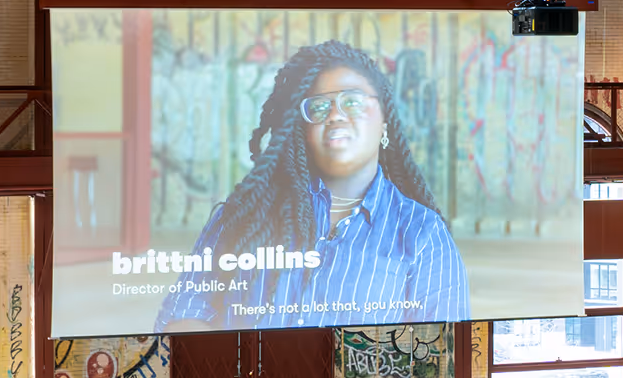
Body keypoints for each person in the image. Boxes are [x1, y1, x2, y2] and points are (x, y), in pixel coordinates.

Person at [156, 40, 469, 331]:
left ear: (384, 123)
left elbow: (444, 362)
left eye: (353, 102)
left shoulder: (424, 236)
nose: (335, 115)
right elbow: (181, 320)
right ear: (302, 130)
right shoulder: (243, 217)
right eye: (318, 107)